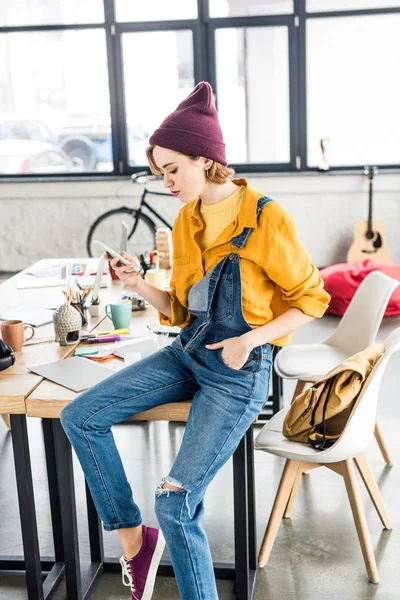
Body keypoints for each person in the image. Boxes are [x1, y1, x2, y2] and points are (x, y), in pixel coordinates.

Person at [60, 81, 330, 600]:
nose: (166, 182)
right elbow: (183, 309)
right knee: (80, 415)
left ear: (206, 160)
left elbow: (311, 300)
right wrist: (140, 286)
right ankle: (136, 543)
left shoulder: (265, 217)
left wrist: (251, 340)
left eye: (172, 169)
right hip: (187, 353)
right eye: (160, 172)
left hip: (238, 373)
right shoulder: (187, 220)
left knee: (175, 502)